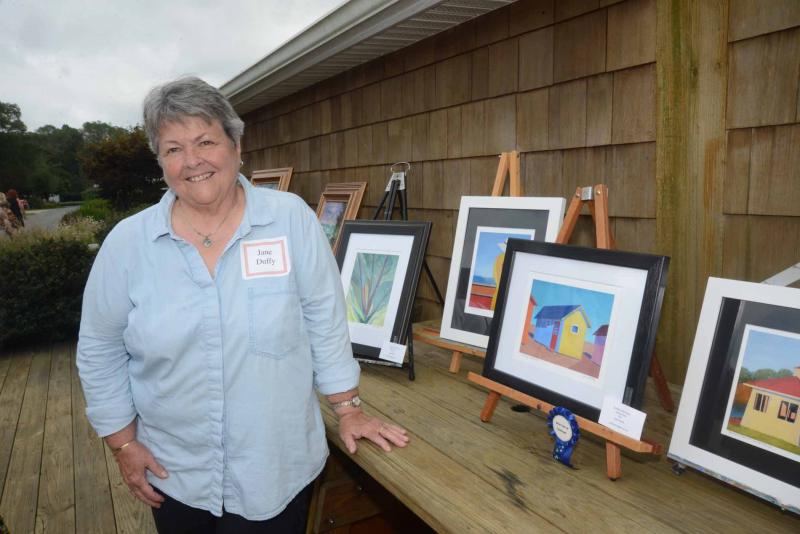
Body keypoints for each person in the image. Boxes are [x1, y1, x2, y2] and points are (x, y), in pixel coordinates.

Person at [77, 76, 408, 533]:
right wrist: (122, 444)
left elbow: (324, 319)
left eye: (205, 141)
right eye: (173, 149)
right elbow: (99, 348)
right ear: (160, 161)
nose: (192, 161)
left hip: (275, 469)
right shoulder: (128, 245)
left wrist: (348, 407)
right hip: (175, 472)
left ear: (236, 144)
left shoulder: (290, 220)